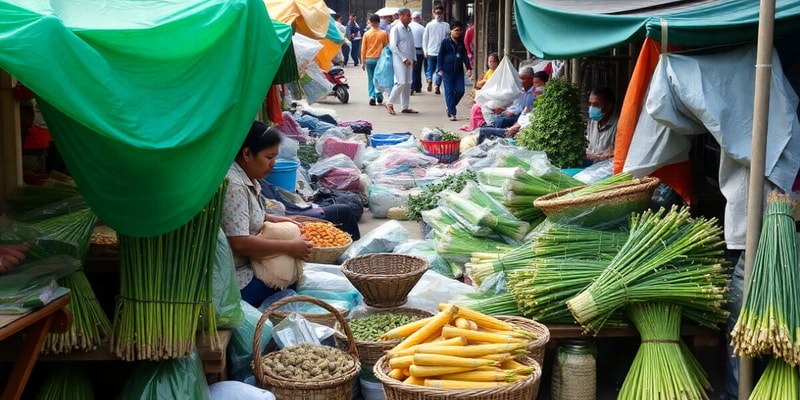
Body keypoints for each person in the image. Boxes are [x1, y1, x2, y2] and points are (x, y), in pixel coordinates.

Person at [221, 121, 313, 307]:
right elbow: (238, 242)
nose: (273, 164)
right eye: (269, 157)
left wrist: (273, 218)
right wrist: (289, 247)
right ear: (247, 154)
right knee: (290, 280)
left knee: (293, 271)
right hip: (235, 278)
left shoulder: (249, 178)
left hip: (248, 265)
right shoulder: (234, 185)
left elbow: (244, 216)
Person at [259, 181, 361, 241]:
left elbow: (279, 199)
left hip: (290, 211)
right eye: (269, 157)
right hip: (289, 215)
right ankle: (354, 248)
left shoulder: (259, 182)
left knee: (343, 208)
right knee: (345, 210)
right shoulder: (248, 187)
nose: (272, 163)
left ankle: (349, 244)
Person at [477, 68, 548, 143]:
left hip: (517, 131)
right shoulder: (527, 95)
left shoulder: (538, 105)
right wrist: (515, 125)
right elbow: (523, 115)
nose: (536, 91)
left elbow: (525, 119)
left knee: (489, 128)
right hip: (516, 126)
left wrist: (515, 127)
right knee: (487, 127)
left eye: (537, 85)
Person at [384, 8, 418, 115]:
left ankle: (405, 106)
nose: (410, 17)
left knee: (408, 83)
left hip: (410, 60)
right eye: (408, 15)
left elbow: (412, 45)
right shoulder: (396, 29)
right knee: (401, 82)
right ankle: (389, 102)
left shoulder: (409, 29)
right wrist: (403, 58)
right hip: (399, 60)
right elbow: (393, 46)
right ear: (401, 16)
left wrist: (414, 58)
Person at [436, 20, 472, 121]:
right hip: (447, 70)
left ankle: (450, 106)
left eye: (460, 30)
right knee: (449, 91)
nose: (458, 32)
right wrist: (440, 68)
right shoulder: (445, 41)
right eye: (456, 30)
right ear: (451, 30)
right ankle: (452, 113)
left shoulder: (461, 41)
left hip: (459, 70)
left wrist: (468, 68)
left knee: (461, 90)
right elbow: (440, 55)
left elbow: (464, 55)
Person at [584, 86, 618, 166]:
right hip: (589, 165)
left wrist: (598, 157)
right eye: (590, 104)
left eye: (596, 105)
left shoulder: (618, 124)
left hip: (606, 169)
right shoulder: (592, 121)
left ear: (608, 106)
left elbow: (617, 154)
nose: (591, 108)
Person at [361, 13, 389, 106]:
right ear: (379, 22)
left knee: (370, 78)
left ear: (371, 22)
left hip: (369, 59)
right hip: (380, 59)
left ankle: (372, 96)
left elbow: (363, 49)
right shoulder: (384, 33)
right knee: (379, 78)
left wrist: (362, 62)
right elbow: (386, 47)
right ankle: (379, 95)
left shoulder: (366, 34)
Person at [422, 5, 449, 94]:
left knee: (431, 69)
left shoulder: (444, 25)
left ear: (443, 13)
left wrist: (425, 51)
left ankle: (429, 79)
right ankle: (436, 84)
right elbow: (425, 39)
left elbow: (425, 39)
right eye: (437, 13)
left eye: (440, 13)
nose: (438, 15)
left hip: (436, 52)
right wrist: (425, 51)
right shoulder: (443, 25)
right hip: (433, 52)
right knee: (439, 70)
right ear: (434, 13)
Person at [409, 11, 426, 94]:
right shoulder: (422, 28)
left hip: (409, 51)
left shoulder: (408, 27)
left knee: (410, 70)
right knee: (418, 69)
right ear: (419, 18)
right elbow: (425, 41)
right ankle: (418, 86)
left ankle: (411, 86)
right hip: (419, 51)